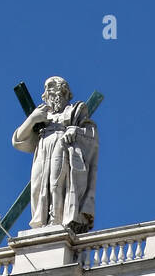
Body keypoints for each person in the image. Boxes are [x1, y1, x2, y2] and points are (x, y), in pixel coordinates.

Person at [12, 76, 98, 233]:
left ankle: (55, 220)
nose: (47, 93)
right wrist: (32, 119)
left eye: (51, 88)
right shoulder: (42, 114)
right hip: (42, 148)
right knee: (37, 185)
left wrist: (74, 130)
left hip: (61, 145)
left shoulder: (74, 111)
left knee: (56, 183)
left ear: (63, 91)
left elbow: (91, 134)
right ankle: (40, 222)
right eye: (46, 90)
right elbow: (18, 139)